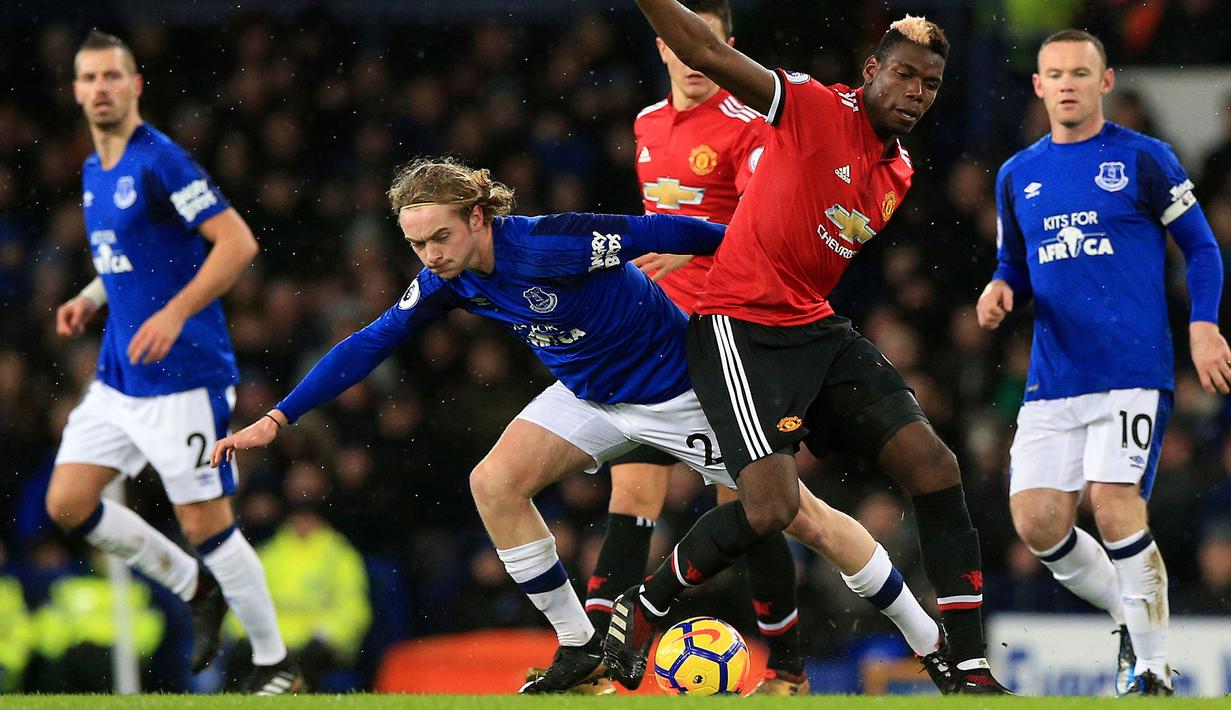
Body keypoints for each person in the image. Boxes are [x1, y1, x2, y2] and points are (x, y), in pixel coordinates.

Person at [211, 158, 943, 694]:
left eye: (438, 237)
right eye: (416, 245)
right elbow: (369, 341)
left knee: (803, 519)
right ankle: (580, 648)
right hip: (590, 397)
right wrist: (280, 415)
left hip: (678, 393)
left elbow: (663, 229)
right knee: (494, 483)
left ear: (476, 217)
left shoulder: (550, 242)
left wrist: (744, 262)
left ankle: (932, 644)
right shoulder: (447, 278)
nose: (429, 257)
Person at [606, 1, 1010, 695]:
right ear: (870, 71)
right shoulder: (813, 106)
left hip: (813, 328)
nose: (915, 93)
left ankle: (968, 666)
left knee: (935, 465)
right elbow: (709, 55)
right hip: (735, 324)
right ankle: (644, 607)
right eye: (904, 76)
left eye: (930, 84)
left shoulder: (900, 171)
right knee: (768, 506)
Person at [47, 31, 302, 694]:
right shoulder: (93, 169)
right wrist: (89, 295)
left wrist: (174, 312)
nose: (100, 87)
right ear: (76, 90)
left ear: (135, 85)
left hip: (184, 375)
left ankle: (276, 664)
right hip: (118, 375)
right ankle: (193, 586)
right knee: (68, 502)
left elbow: (237, 243)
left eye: (112, 76)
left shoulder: (161, 160)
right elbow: (129, 257)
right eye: (89, 77)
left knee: (206, 524)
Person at [976, 29, 1229, 697]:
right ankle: (1130, 614)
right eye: (1053, 73)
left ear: (1104, 81)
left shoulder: (1144, 159)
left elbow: (1200, 249)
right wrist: (1001, 288)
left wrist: (1203, 326)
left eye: (1079, 73)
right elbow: (1013, 263)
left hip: (1131, 369)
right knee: (1036, 524)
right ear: (1036, 86)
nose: (1065, 83)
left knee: (1113, 505)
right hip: (1053, 377)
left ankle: (1150, 669)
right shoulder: (1015, 175)